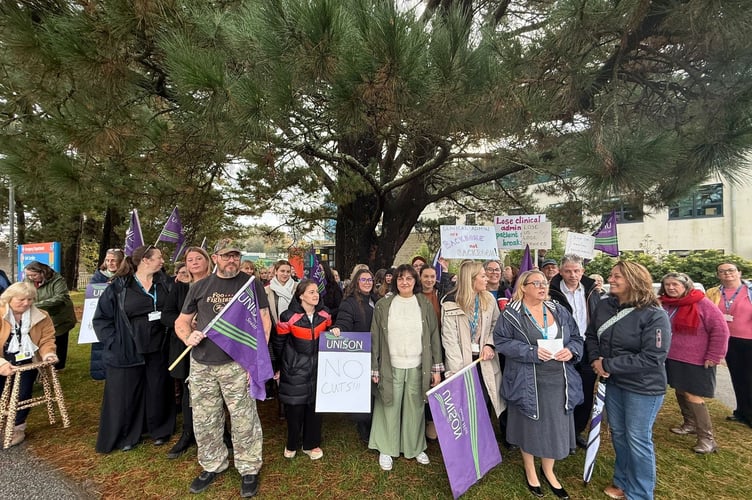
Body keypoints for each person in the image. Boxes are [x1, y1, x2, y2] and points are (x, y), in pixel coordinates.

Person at [174, 240, 271, 497]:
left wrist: (256, 359)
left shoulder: (251, 285)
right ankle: (212, 464)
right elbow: (182, 322)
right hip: (202, 364)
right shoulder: (200, 286)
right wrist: (187, 337)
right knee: (205, 419)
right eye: (227, 256)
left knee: (243, 419)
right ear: (215, 258)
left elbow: (264, 320)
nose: (232, 261)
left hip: (237, 364)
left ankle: (249, 468)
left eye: (236, 256)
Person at [586, 261, 671, 500]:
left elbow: (653, 357)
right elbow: (592, 335)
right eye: (611, 275)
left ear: (634, 280)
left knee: (638, 438)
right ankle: (622, 481)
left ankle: (641, 493)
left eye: (617, 277)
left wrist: (609, 365)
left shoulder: (655, 315)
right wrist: (595, 360)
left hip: (643, 388)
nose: (611, 279)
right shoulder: (604, 306)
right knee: (620, 435)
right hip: (614, 384)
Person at [494, 270, 583, 500]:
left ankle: (549, 470)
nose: (543, 287)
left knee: (554, 425)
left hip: (558, 380)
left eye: (545, 283)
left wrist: (571, 350)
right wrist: (530, 351)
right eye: (537, 283)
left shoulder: (558, 309)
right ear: (523, 287)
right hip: (528, 380)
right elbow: (502, 342)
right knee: (529, 425)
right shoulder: (511, 314)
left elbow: (576, 337)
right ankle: (531, 470)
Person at [92, 245, 175, 453]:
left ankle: (160, 430)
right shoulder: (119, 287)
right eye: (159, 257)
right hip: (127, 348)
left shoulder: (164, 283)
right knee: (128, 393)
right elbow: (101, 319)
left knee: (157, 388)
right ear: (145, 261)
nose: (162, 261)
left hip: (158, 346)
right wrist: (113, 341)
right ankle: (128, 434)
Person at [370, 264, 443, 471]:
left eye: (409, 278)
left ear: (415, 281)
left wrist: (436, 370)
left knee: (415, 406)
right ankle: (387, 447)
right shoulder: (384, 305)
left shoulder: (424, 304)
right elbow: (375, 337)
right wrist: (374, 367)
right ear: (394, 281)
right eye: (401, 278)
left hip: (418, 365)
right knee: (388, 404)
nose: (404, 282)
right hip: (390, 364)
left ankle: (414, 446)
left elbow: (433, 336)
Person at [658, 272, 729, 453]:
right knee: (680, 390)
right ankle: (689, 423)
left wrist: (714, 355)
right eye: (668, 285)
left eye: (675, 284)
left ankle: (707, 439)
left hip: (696, 359)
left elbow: (720, 330)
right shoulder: (664, 304)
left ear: (686, 286)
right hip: (672, 356)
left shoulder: (702, 303)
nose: (671, 288)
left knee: (693, 395)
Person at [441, 261, 504, 434]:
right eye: (483, 276)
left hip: (483, 359)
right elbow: (450, 339)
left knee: (483, 400)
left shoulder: (489, 298)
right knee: (464, 403)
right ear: (471, 279)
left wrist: (490, 344)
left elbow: (496, 325)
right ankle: (465, 444)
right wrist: (457, 370)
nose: (487, 278)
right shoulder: (450, 301)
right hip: (462, 362)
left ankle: (483, 441)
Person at [161, 247, 212, 459]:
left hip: (211, 347)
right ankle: (188, 432)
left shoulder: (216, 286)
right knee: (188, 391)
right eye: (190, 260)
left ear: (207, 261)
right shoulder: (179, 289)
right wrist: (185, 324)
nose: (194, 262)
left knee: (213, 391)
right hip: (185, 346)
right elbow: (167, 316)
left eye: (198, 258)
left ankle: (221, 432)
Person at [273, 279, 333, 460]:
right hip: (294, 369)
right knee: (294, 409)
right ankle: (291, 443)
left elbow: (330, 338)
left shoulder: (325, 315)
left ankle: (311, 444)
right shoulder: (287, 316)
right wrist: (278, 367)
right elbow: (278, 344)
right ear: (301, 296)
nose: (316, 295)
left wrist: (336, 331)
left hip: (318, 369)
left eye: (317, 292)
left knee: (315, 408)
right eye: (311, 292)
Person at [547, 254, 602, 449]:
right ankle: (561, 430)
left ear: (582, 272)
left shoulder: (592, 291)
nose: (572, 275)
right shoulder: (550, 292)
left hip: (587, 348)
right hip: (562, 348)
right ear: (561, 272)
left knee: (586, 391)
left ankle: (577, 431)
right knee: (562, 391)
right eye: (568, 271)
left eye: (576, 271)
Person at [0, 282, 58, 446]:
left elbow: (47, 339)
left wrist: (48, 354)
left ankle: (18, 427)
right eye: (21, 300)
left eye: (30, 299)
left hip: (26, 360)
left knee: (22, 393)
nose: (26, 303)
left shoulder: (41, 315)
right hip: (2, 359)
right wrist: (1, 364)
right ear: (9, 299)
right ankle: (3, 420)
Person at [331, 268, 378, 443]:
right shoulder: (349, 303)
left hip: (376, 351)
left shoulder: (375, 300)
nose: (367, 282)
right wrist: (339, 329)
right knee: (363, 393)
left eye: (370, 279)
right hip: (359, 354)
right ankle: (364, 428)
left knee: (374, 392)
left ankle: (374, 424)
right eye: (363, 279)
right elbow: (343, 322)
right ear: (356, 282)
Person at [705, 261, 752, 427]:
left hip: (749, 340)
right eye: (722, 271)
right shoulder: (713, 292)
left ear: (739, 272)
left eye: (731, 270)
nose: (727, 274)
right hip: (727, 340)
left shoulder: (749, 290)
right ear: (718, 275)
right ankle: (742, 411)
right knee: (738, 376)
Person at [23, 261, 76, 370]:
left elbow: (61, 297)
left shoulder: (57, 280)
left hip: (59, 316)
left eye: (34, 275)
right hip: (39, 316)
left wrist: (36, 305)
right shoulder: (28, 281)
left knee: (59, 339)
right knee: (39, 338)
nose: (31, 278)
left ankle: (58, 366)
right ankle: (40, 364)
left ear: (42, 272)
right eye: (28, 275)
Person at [89, 249, 126, 381]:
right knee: (101, 345)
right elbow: (91, 294)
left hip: (120, 317)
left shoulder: (126, 276)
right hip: (103, 316)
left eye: (113, 260)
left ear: (121, 262)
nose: (110, 263)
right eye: (107, 260)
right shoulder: (98, 276)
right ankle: (101, 373)